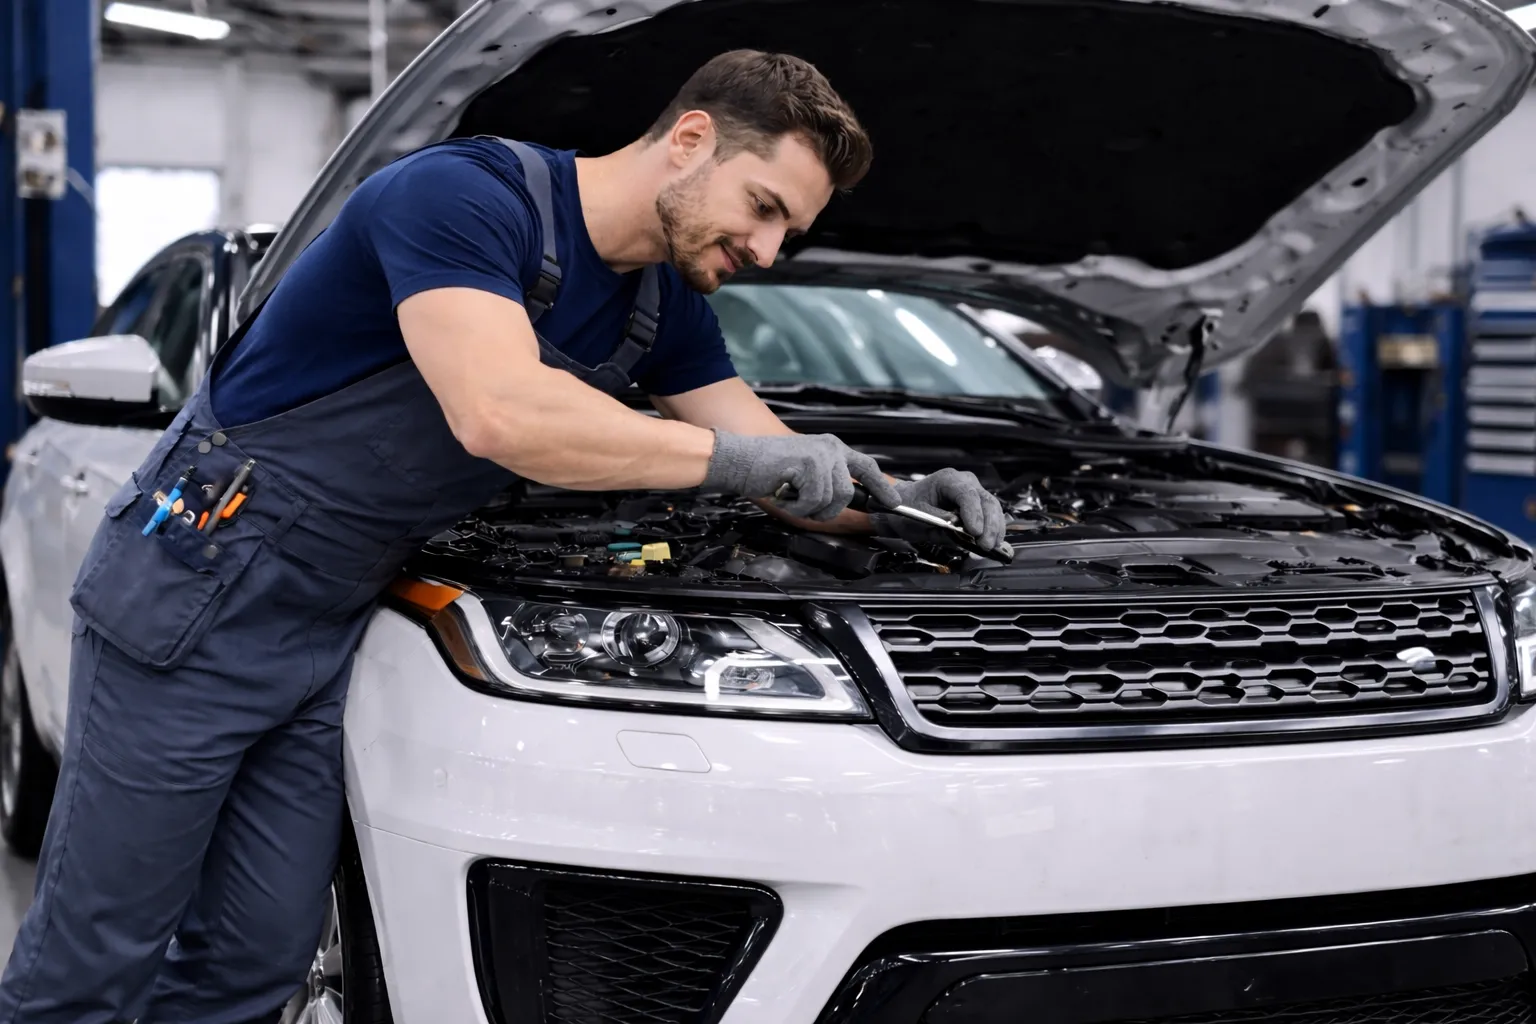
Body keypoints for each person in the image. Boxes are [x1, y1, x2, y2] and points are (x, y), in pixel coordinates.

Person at [0, 49, 1004, 1023]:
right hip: (195, 589)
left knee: (253, 957)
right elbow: (501, 414)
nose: (768, 251)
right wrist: (740, 466)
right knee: (100, 954)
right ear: (691, 138)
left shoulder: (664, 305)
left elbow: (772, 459)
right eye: (765, 209)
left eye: (790, 230)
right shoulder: (464, 199)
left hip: (325, 623)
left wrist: (898, 497)